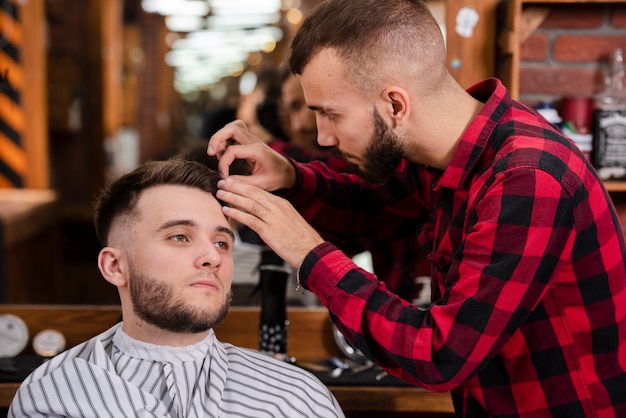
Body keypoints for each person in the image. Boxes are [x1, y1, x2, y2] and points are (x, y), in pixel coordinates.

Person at [206, 0, 626, 417]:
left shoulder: (528, 179)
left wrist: (308, 253)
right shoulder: (449, 155)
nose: (323, 137)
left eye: (330, 114)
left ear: (394, 105)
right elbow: (373, 209)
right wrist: (291, 177)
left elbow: (440, 355)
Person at [8, 159, 344, 418]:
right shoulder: (54, 396)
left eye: (222, 242)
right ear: (115, 266)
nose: (212, 256)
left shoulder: (294, 398)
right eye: (179, 237)